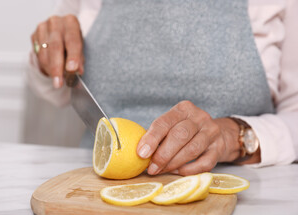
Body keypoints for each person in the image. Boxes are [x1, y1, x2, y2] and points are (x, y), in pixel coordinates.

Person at [27, 0, 298, 176]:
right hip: (98, 192)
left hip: (240, 202)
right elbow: (56, 90)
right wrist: (47, 52)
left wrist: (234, 136)